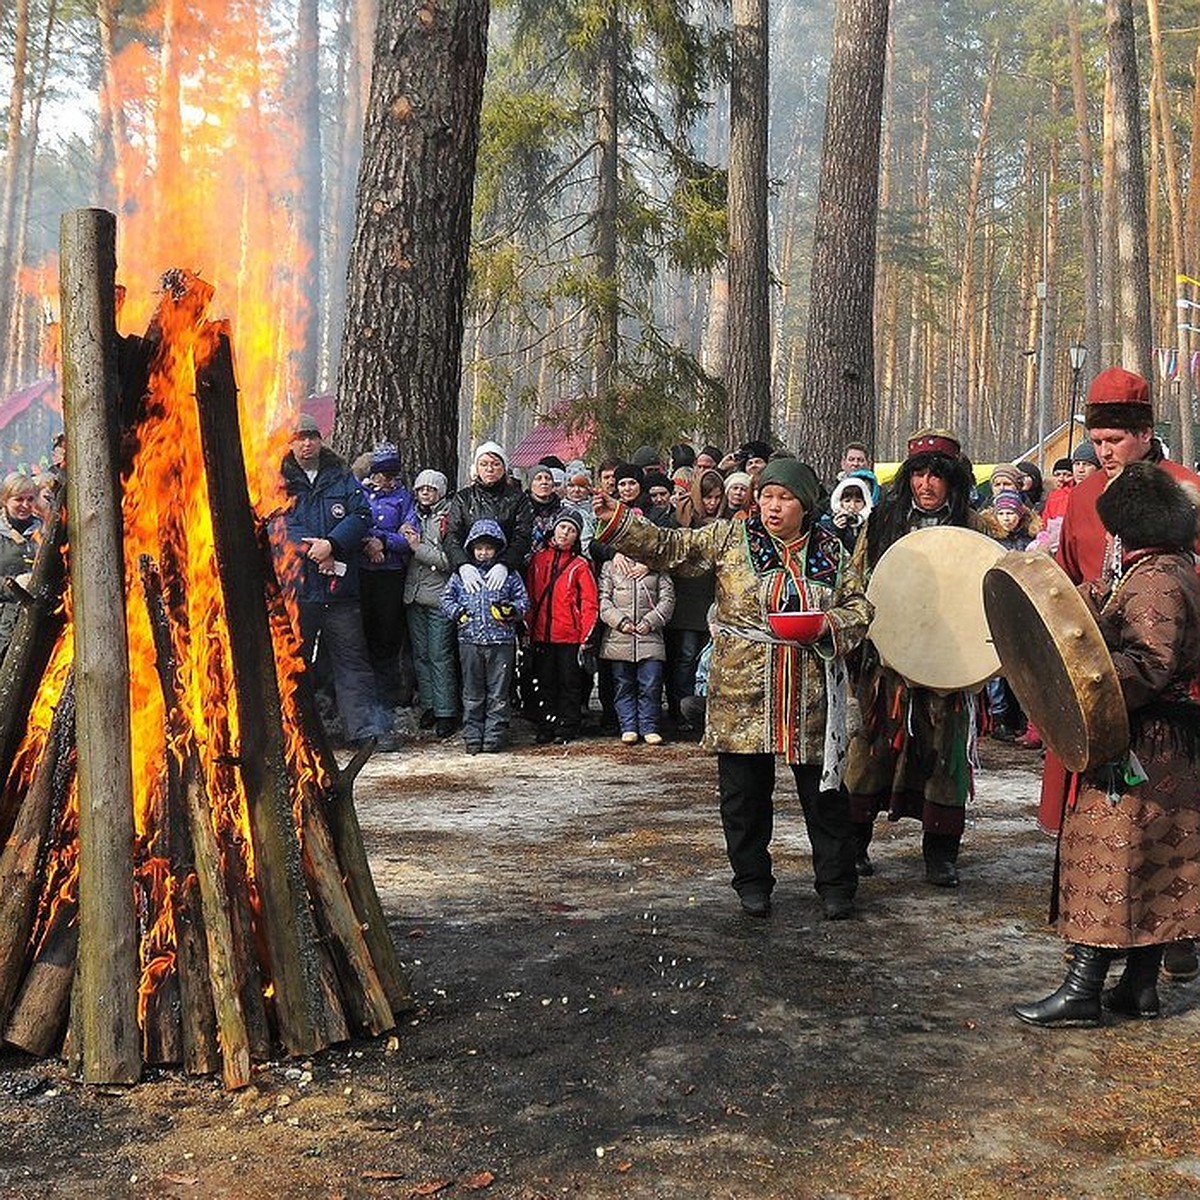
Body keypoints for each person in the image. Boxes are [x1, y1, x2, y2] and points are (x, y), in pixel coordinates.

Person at [593, 458, 873, 920]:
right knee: (743, 796)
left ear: (805, 504)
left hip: (811, 691)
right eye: (767, 497)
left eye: (784, 499)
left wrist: (829, 623)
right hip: (743, 690)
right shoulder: (730, 537)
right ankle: (752, 882)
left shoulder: (832, 552)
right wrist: (619, 522)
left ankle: (837, 885)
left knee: (825, 796)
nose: (772, 507)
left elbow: (860, 606)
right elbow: (669, 546)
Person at [1014, 462, 1200, 1027]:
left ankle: (1083, 990)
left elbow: (1149, 663)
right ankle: (1138, 988)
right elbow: (1098, 608)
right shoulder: (1163, 568)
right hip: (1165, 743)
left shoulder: (1158, 581)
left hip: (1146, 744)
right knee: (1149, 861)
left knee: (1109, 856)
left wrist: (1075, 669)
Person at [1048, 365, 1200, 983]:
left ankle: (1170, 940)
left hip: (1158, 690)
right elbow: (1066, 582)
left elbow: (1163, 632)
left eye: (1114, 441)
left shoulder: (1184, 492)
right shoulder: (1086, 497)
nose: (1101, 453)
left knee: (1151, 828)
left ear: (1144, 433)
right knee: (1107, 829)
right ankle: (1123, 967)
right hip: (1102, 686)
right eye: (1096, 440)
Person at [844, 428, 983, 886]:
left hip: (953, 661)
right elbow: (857, 582)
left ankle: (940, 854)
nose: (926, 484)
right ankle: (854, 845)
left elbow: (991, 593)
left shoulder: (973, 528)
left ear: (953, 482)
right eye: (919, 474)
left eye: (936, 476)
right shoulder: (881, 521)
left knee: (946, 758)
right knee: (870, 751)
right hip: (888, 661)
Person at [276, 413, 393, 749]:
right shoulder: (279, 479)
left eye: (312, 436)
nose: (307, 443)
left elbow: (361, 515)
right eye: (300, 437)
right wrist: (314, 550)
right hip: (298, 589)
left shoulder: (341, 475)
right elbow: (277, 523)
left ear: (320, 439)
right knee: (292, 660)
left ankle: (366, 730)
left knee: (352, 659)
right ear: (291, 442)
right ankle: (293, 733)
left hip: (339, 590)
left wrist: (333, 545)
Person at [441, 519, 528, 754]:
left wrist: (511, 611)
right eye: (479, 548)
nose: (483, 553)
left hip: (501, 641)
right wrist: (458, 613)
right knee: (472, 691)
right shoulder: (461, 575)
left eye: (488, 548)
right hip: (469, 640)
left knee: (498, 691)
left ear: (497, 549)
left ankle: (494, 734)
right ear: (471, 549)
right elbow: (446, 600)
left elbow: (523, 602)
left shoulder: (509, 575)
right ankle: (472, 734)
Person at [524, 510, 600, 744]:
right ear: (554, 528)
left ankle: (567, 724)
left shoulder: (580, 565)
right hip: (541, 633)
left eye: (571, 530)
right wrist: (527, 626)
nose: (565, 533)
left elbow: (589, 602)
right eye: (562, 527)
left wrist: (586, 634)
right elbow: (530, 595)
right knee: (544, 680)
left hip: (569, 634)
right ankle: (547, 722)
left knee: (569, 682)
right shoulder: (538, 560)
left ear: (577, 536)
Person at [360, 443, 417, 712]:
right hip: (362, 572)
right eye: (382, 474)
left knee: (387, 638)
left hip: (391, 575)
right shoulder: (360, 493)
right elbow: (353, 523)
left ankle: (385, 702)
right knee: (361, 635)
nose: (387, 480)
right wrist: (369, 542)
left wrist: (384, 540)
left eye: (392, 474)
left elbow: (409, 539)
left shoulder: (404, 498)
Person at [402, 468, 459, 739]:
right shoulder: (411, 514)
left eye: (431, 489)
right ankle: (429, 705)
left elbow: (449, 560)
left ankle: (446, 710)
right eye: (421, 489)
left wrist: (417, 548)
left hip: (439, 597)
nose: (425, 493)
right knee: (421, 655)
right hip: (413, 595)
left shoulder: (447, 518)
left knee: (440, 655)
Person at [599, 550, 675, 745]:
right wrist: (620, 621)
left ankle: (649, 726)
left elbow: (668, 600)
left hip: (650, 636)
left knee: (651, 684)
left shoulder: (658, 568)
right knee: (623, 685)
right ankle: (629, 726)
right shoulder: (610, 566)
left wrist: (650, 621)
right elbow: (603, 600)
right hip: (619, 637)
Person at [444, 441, 533, 588]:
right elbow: (452, 534)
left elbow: (523, 535)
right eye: (484, 464)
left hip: (507, 575)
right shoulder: (463, 498)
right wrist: (462, 564)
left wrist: (505, 564)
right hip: (469, 574)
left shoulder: (517, 498)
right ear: (477, 468)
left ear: (504, 468)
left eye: (495, 464)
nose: (489, 469)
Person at [0, 473, 42, 663]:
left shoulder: (42, 530)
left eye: (30, 499)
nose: (25, 505)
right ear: (5, 499)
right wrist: (13, 585)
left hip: (34, 621)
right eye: (19, 499)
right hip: (3, 623)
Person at [821, 475, 873, 553]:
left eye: (858, 501)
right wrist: (835, 529)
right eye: (847, 501)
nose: (852, 506)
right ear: (840, 502)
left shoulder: (873, 523)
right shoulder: (826, 524)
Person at [526, 462, 564, 557]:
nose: (544, 482)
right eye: (538, 478)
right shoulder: (521, 509)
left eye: (548, 478)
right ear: (531, 484)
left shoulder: (561, 511)